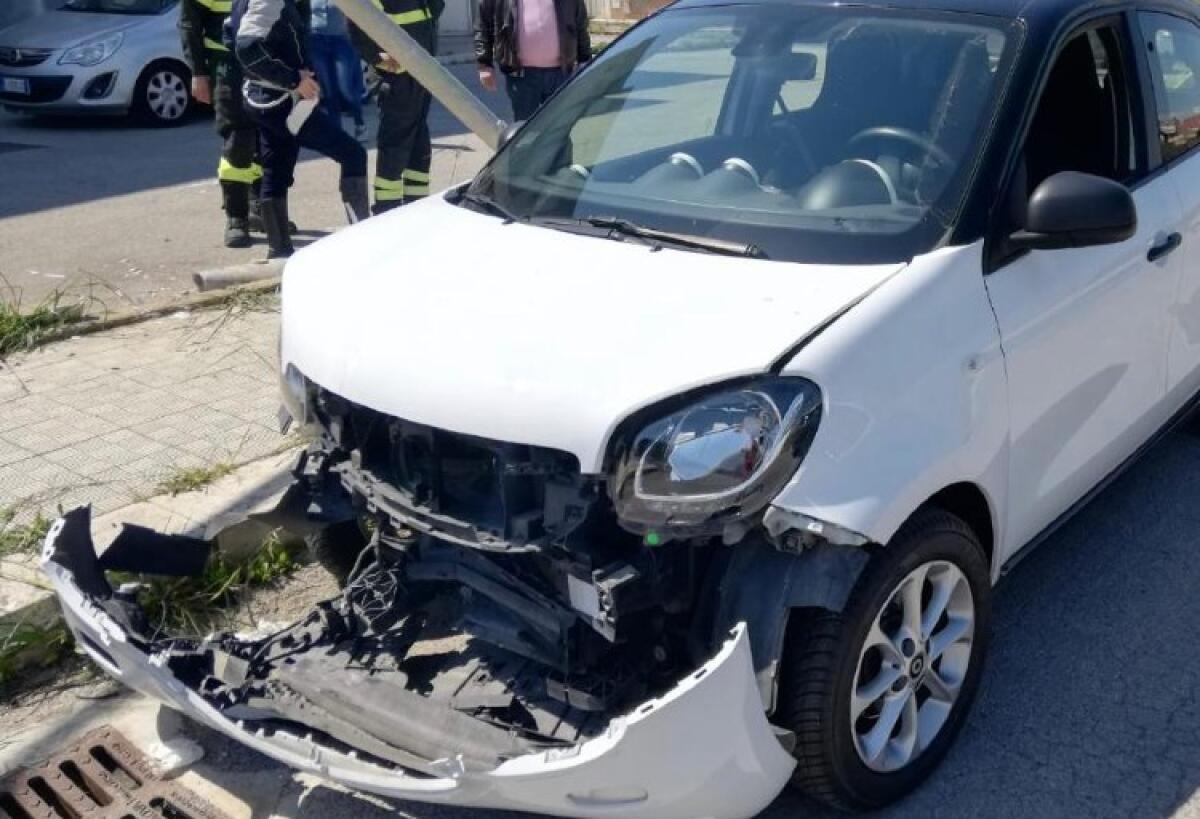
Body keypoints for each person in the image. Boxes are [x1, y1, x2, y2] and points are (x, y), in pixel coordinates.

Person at [228, 0, 371, 259]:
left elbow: (231, 34)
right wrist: (294, 78)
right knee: (353, 154)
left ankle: (279, 251)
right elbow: (246, 46)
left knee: (275, 171)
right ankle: (362, 238)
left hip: (266, 100)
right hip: (282, 101)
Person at [179, 0, 262, 248]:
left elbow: (299, 15)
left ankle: (263, 208)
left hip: (271, 63)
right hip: (228, 62)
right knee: (238, 136)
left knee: (271, 137)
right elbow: (189, 24)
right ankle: (237, 217)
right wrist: (198, 72)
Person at [350, 0, 442, 214]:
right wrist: (376, 56)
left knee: (419, 145)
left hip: (421, 71)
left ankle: (417, 207)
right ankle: (386, 210)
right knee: (395, 149)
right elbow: (356, 22)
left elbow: (435, 9)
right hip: (395, 78)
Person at [474, 0, 590, 122]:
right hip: (521, 77)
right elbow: (482, 25)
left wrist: (585, 60)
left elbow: (580, 24)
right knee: (527, 132)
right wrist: (484, 63)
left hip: (561, 74)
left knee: (560, 129)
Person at [308, 0, 368, 141]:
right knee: (328, 91)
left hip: (342, 41)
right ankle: (337, 133)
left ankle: (359, 123)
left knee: (346, 88)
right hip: (316, 41)